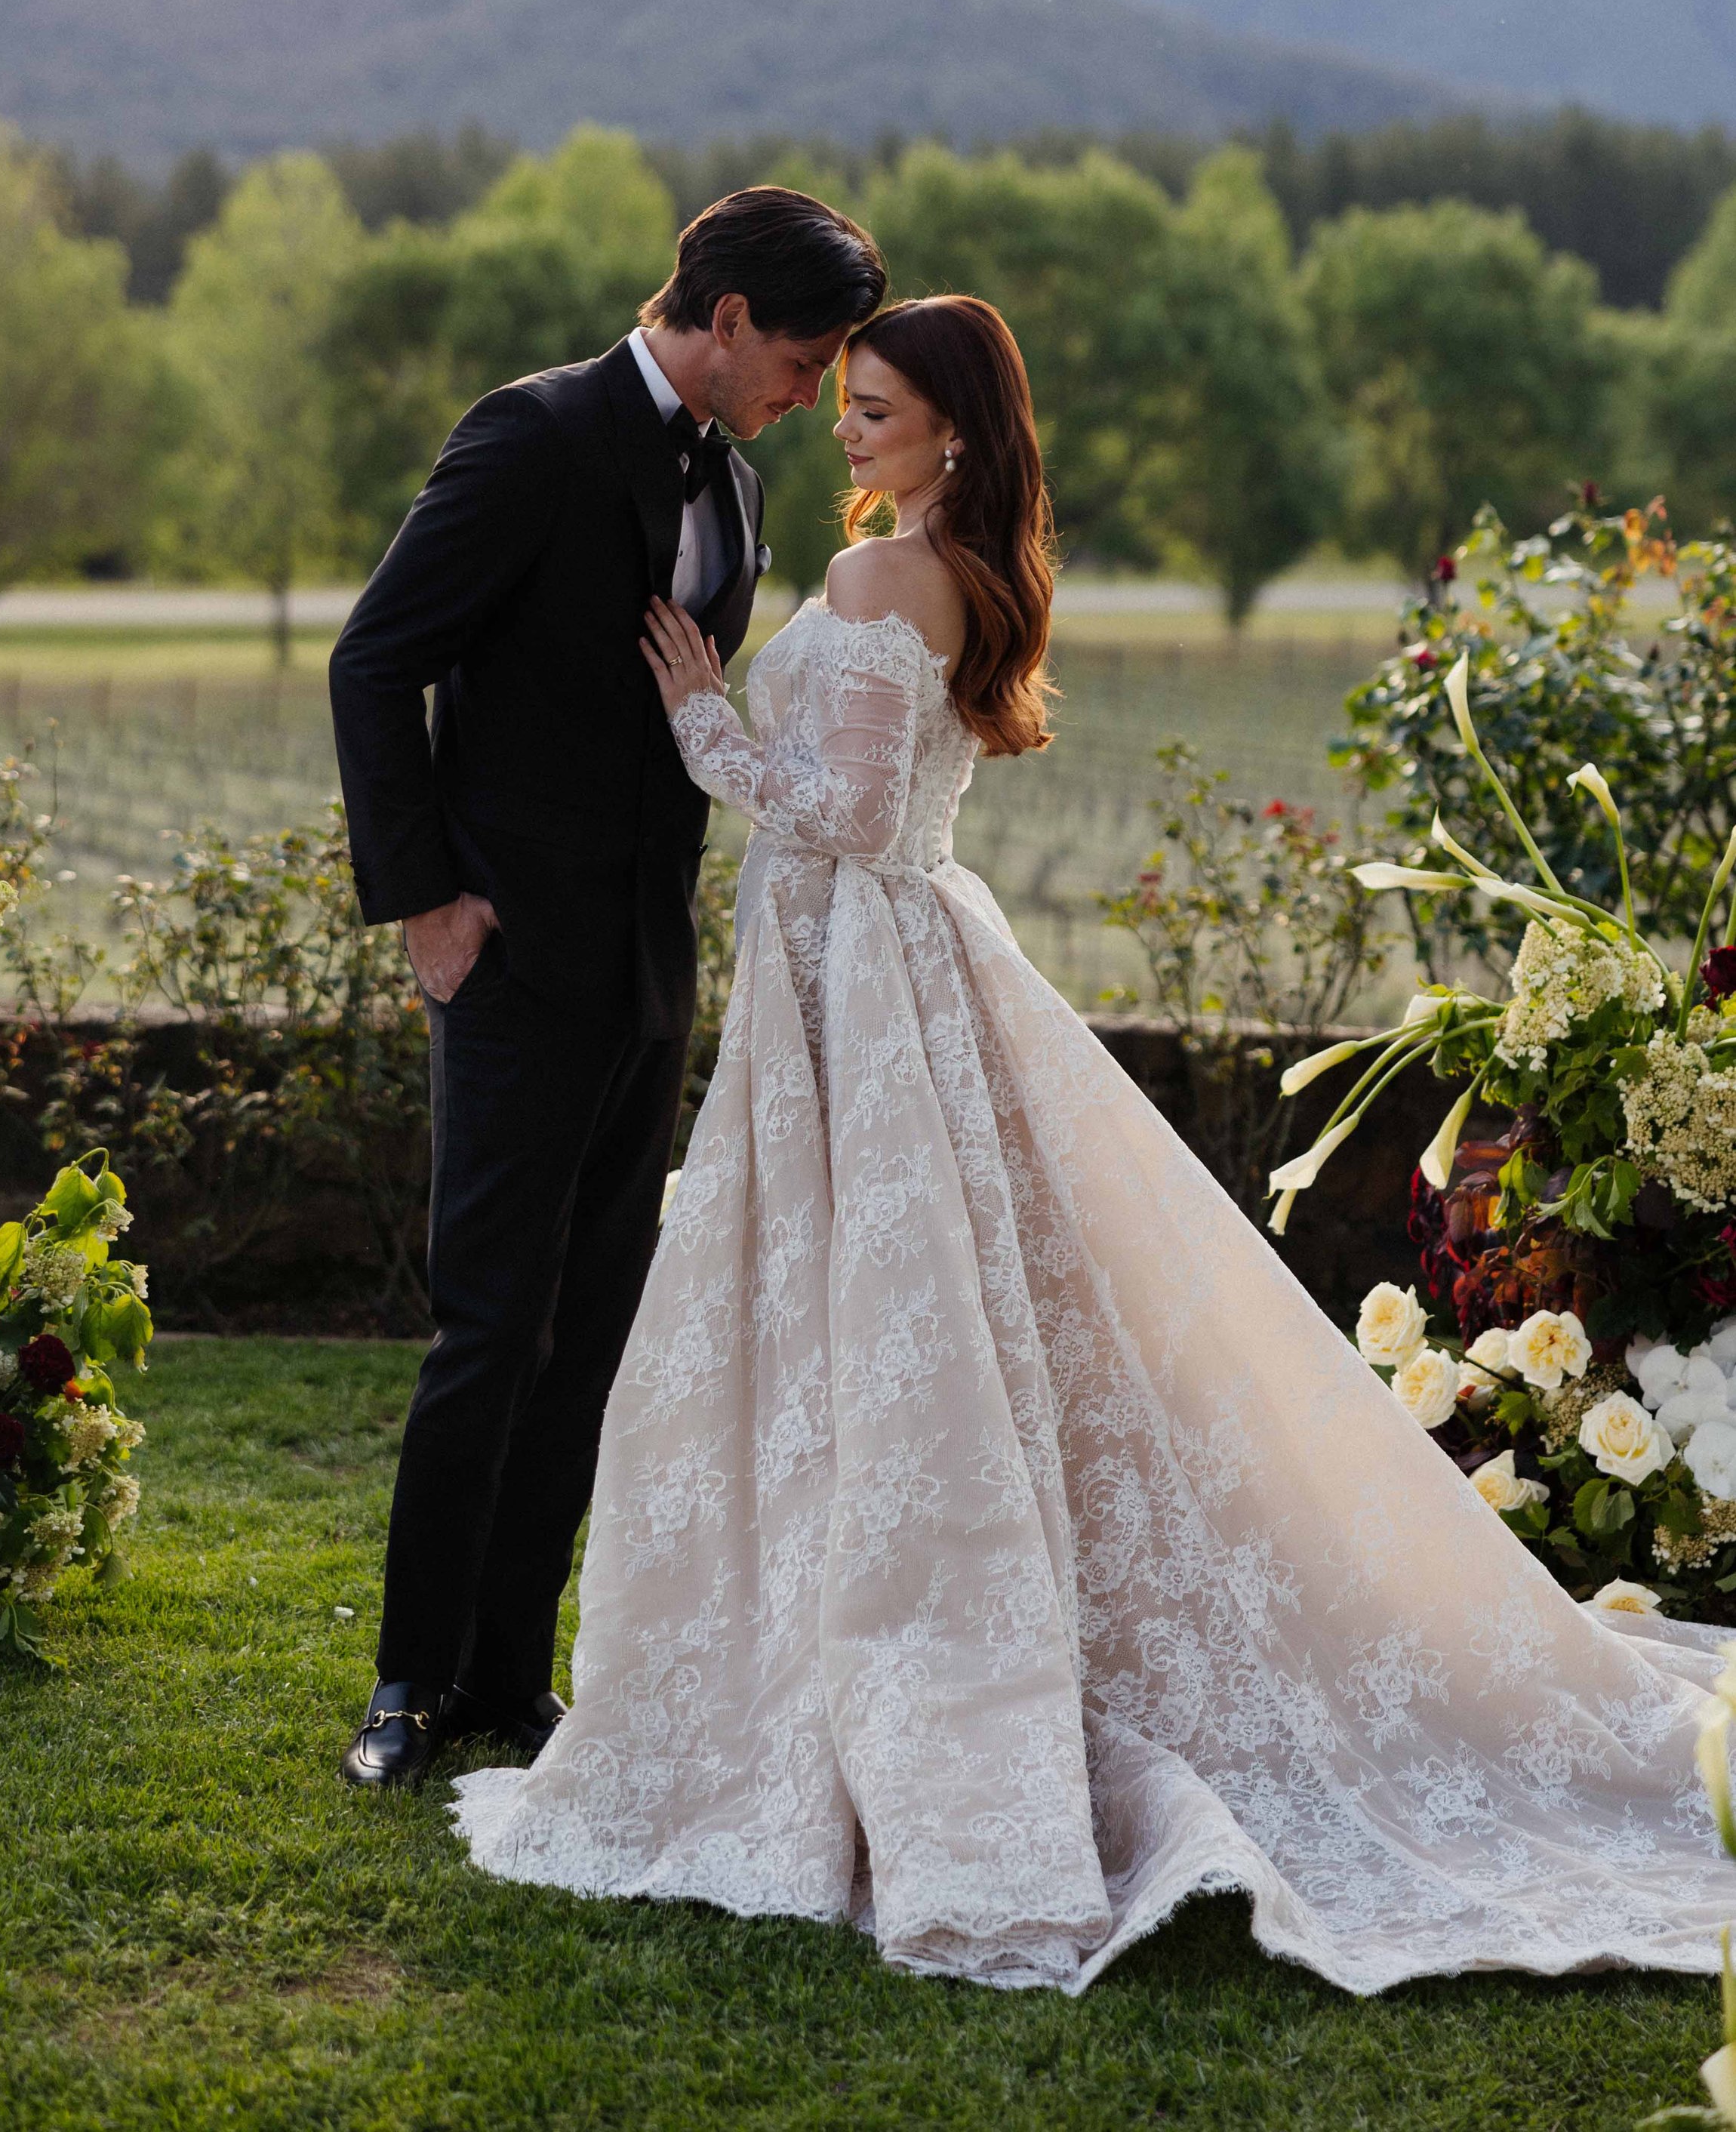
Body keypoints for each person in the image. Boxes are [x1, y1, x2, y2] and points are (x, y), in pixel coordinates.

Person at [451, 293, 1736, 1994]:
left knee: (870, 1312)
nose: (844, 428)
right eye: (842, 402)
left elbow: (837, 816)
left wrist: (701, 719)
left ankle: (880, 1676)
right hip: (897, 961)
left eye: (877, 409)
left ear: (956, 434)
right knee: (946, 1311)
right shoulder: (968, 577)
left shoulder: (874, 580)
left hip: (864, 974)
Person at [328, 186, 886, 1788]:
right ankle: (405, 1685)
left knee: (586, 1340)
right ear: (718, 322)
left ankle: (508, 1680)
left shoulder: (740, 475)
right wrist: (425, 900)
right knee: (489, 1328)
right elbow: (375, 659)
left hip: (647, 966)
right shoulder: (533, 435)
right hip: (509, 960)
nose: (806, 389)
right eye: (794, 357)